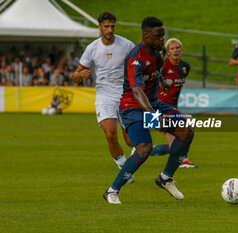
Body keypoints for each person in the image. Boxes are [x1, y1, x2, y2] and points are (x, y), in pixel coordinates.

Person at [103, 16, 195, 204]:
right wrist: (153, 116)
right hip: (133, 108)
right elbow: (137, 91)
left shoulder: (159, 52)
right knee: (144, 148)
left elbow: (155, 72)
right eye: (158, 36)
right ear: (146, 35)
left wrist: (161, 82)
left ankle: (165, 178)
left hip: (154, 103)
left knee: (186, 130)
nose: (163, 39)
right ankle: (112, 191)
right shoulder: (136, 58)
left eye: (163, 35)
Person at [72, 12, 135, 180]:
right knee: (110, 134)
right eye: (106, 26)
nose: (110, 30)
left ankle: (137, 154)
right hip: (104, 95)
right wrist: (80, 75)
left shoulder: (126, 45)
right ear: (99, 27)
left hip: (125, 95)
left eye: (112, 26)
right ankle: (124, 169)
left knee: (130, 140)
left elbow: (139, 61)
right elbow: (74, 75)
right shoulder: (92, 48)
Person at [149, 38, 199, 168]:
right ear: (168, 52)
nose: (175, 50)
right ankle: (183, 160)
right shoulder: (163, 67)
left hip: (172, 106)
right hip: (160, 106)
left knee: (178, 139)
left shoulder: (185, 67)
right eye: (172, 48)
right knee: (186, 125)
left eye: (178, 48)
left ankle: (148, 150)